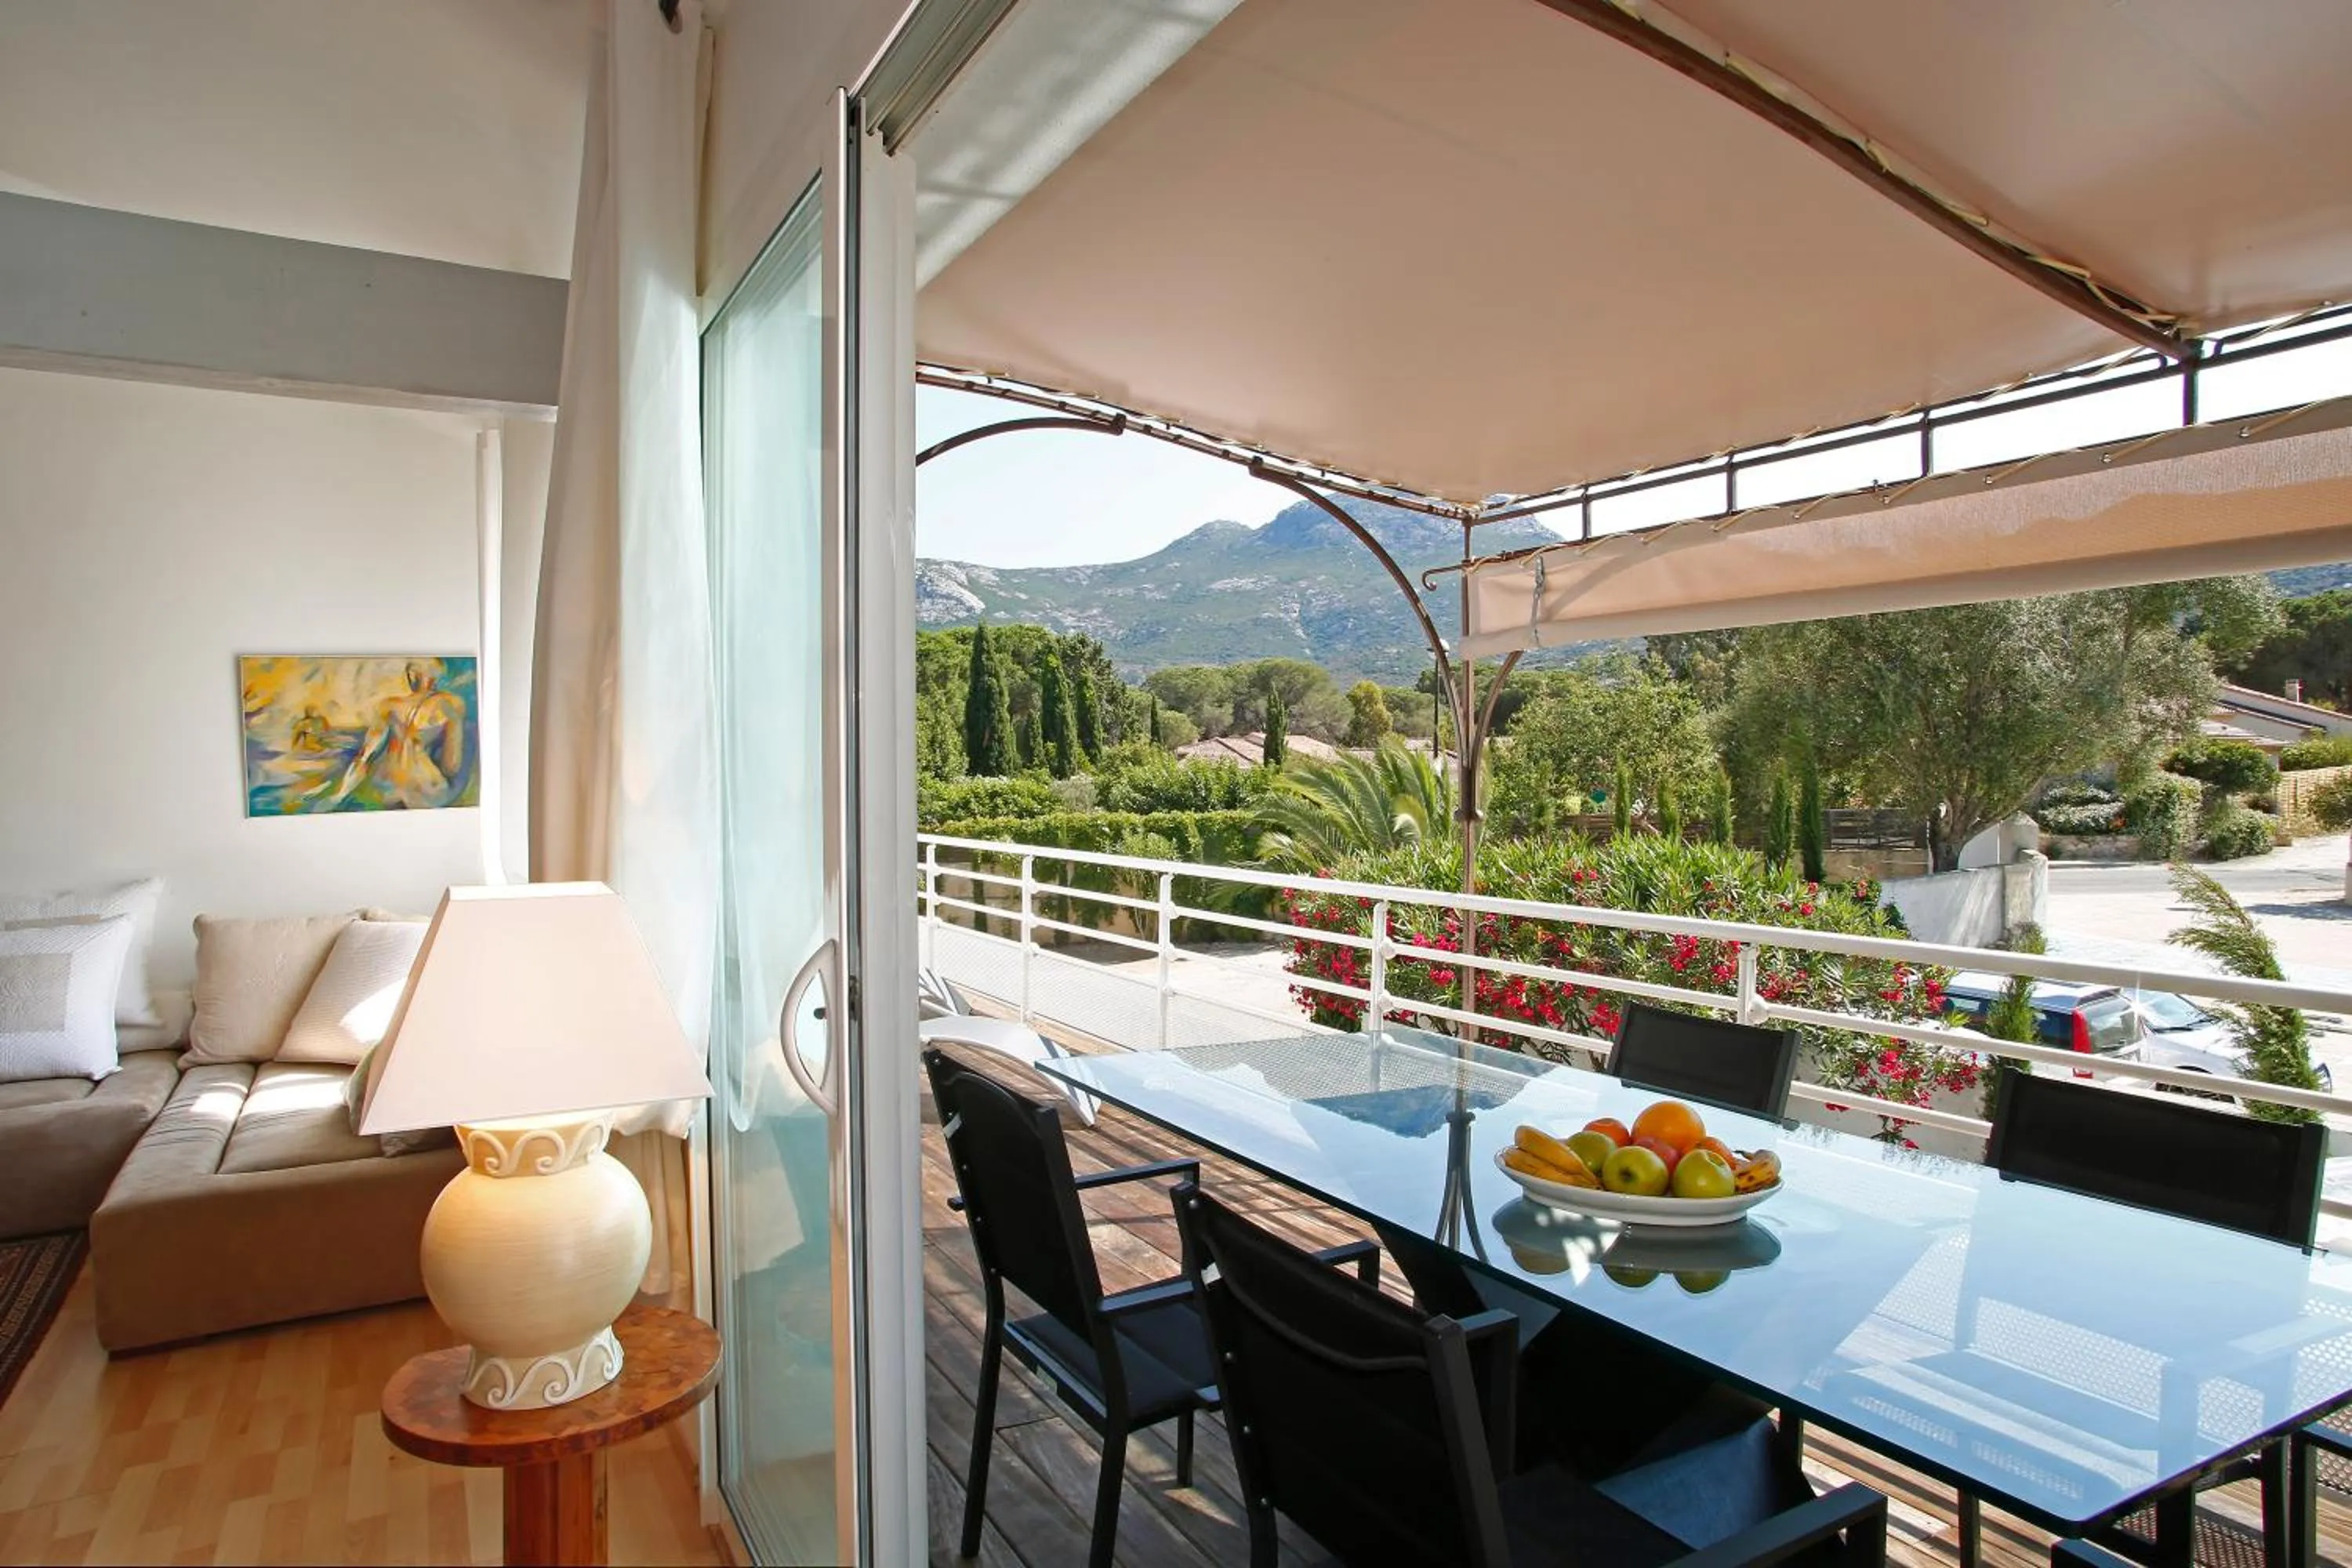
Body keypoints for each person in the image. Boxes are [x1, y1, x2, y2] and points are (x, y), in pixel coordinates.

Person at [326, 661, 471, 809]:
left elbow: (365, 755)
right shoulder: (450, 703)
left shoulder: (390, 705)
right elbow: (451, 765)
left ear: (412, 675)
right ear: (437, 676)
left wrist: (339, 795)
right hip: (426, 788)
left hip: (388, 786)